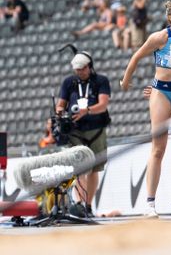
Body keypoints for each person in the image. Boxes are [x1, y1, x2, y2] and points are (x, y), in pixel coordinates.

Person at [120, 0, 171, 217]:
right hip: (161, 93)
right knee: (158, 149)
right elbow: (136, 56)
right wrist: (126, 80)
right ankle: (150, 203)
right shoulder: (160, 37)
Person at [56, 51, 111, 218]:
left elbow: (103, 105)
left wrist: (86, 111)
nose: (80, 72)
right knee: (80, 169)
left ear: (89, 66)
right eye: (77, 69)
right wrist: (60, 114)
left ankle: (88, 204)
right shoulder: (69, 82)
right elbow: (60, 105)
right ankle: (79, 203)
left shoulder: (100, 81)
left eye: (83, 68)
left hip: (96, 129)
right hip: (76, 131)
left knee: (94, 169)